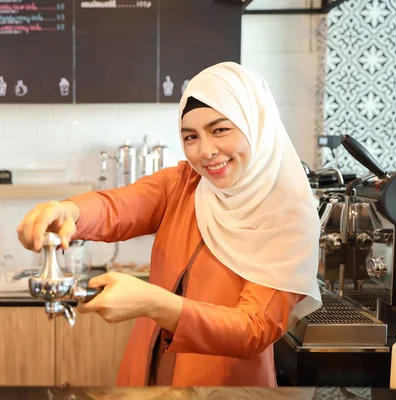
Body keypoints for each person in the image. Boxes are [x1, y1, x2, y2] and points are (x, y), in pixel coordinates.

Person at [17, 61, 322, 387]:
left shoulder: (288, 215)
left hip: (223, 390)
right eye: (190, 136)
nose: (206, 151)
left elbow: (253, 328)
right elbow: (118, 207)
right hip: (150, 374)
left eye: (220, 130)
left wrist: (153, 302)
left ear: (255, 124)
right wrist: (69, 211)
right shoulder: (186, 184)